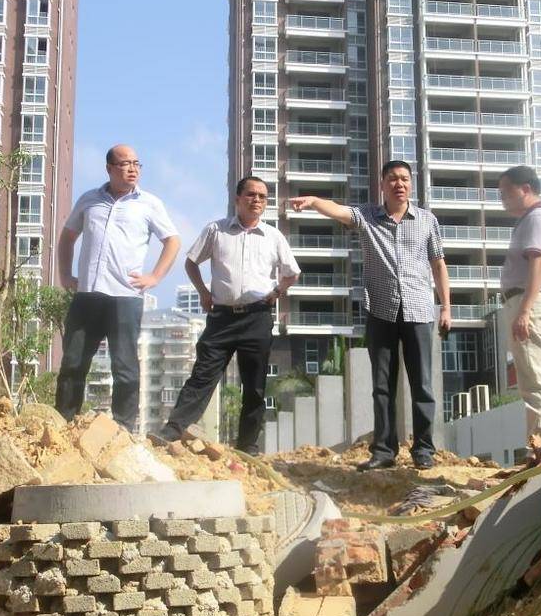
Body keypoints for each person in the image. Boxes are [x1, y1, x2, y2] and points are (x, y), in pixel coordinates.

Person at [289, 160, 451, 471]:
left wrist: (446, 307)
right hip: (380, 310)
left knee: (422, 385)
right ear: (382, 184)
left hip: (419, 310)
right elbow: (338, 210)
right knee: (382, 386)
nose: (399, 184)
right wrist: (313, 201)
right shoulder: (367, 216)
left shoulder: (427, 220)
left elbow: (438, 265)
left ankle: (423, 450)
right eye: (392, 179)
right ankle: (384, 451)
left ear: (411, 184)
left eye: (404, 179)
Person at [152, 176, 300, 453]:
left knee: (255, 386)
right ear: (237, 199)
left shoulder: (274, 236)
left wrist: (277, 291)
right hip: (221, 319)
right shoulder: (216, 230)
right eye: (251, 194)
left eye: (262, 196)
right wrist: (203, 293)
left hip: (257, 317)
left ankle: (247, 445)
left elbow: (292, 273)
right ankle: (172, 430)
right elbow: (191, 262)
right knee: (202, 376)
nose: (257, 200)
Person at [55, 144, 181, 431]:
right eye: (125, 164)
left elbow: (172, 241)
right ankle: (63, 424)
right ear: (109, 168)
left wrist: (154, 277)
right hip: (88, 295)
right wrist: (65, 275)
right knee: (73, 362)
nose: (133, 169)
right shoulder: (89, 200)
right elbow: (67, 237)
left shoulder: (149, 203)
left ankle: (123, 428)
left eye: (137, 163)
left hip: (125, 297)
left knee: (125, 368)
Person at [497, 164, 541, 443]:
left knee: (535, 383)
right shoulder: (537, 219)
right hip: (536, 303)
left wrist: (524, 311)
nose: (502, 198)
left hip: (529, 303)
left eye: (506, 191)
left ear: (525, 189)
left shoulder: (536, 219)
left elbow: (538, 262)